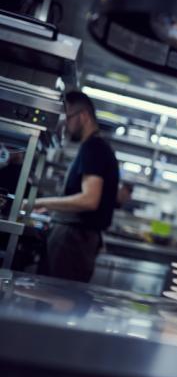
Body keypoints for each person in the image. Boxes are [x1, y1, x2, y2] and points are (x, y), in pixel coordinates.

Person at [33, 91, 119, 282]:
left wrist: (37, 202)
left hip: (74, 240)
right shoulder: (95, 147)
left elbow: (89, 200)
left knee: (59, 300)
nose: (66, 124)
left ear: (84, 116)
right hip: (76, 238)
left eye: (68, 117)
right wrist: (49, 207)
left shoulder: (94, 147)